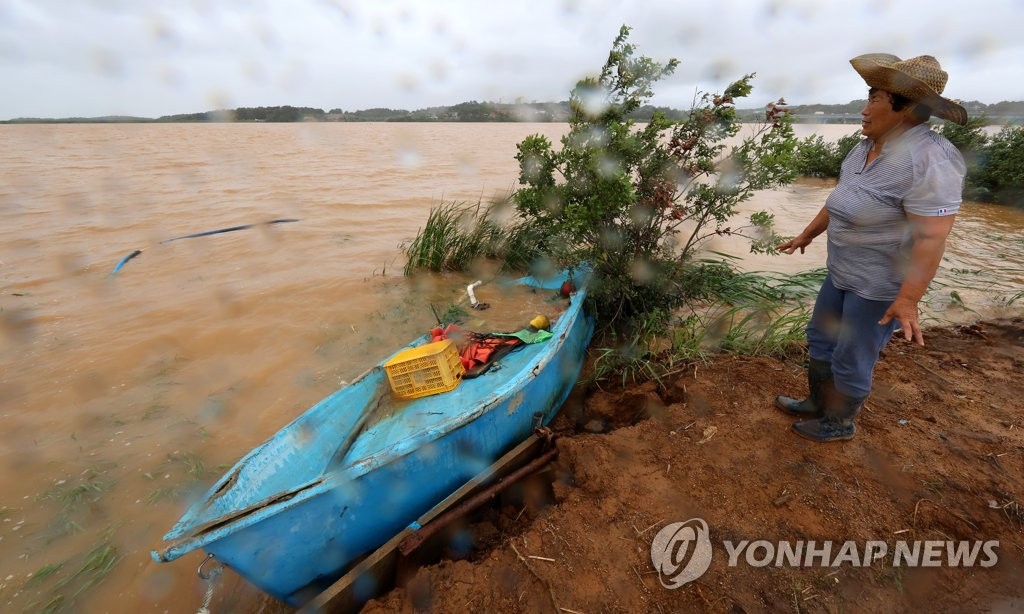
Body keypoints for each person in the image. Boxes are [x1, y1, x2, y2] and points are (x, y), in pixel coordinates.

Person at [774, 54, 968, 443]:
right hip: (842, 271)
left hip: (880, 286)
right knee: (822, 337)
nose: (863, 110)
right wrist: (807, 235)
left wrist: (909, 299)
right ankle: (817, 402)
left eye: (874, 99)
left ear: (907, 108)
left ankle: (839, 423)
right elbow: (840, 199)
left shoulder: (930, 160)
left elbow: (932, 237)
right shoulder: (866, 147)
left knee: (853, 355)